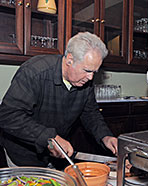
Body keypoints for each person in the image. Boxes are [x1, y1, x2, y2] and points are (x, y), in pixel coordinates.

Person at [0, 32, 118, 167]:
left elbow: (91, 114)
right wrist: (49, 138)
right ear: (69, 60)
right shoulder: (34, 71)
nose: (90, 78)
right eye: (86, 70)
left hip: (54, 155)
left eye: (94, 72)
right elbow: (8, 115)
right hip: (23, 155)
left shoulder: (85, 81)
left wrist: (105, 137)